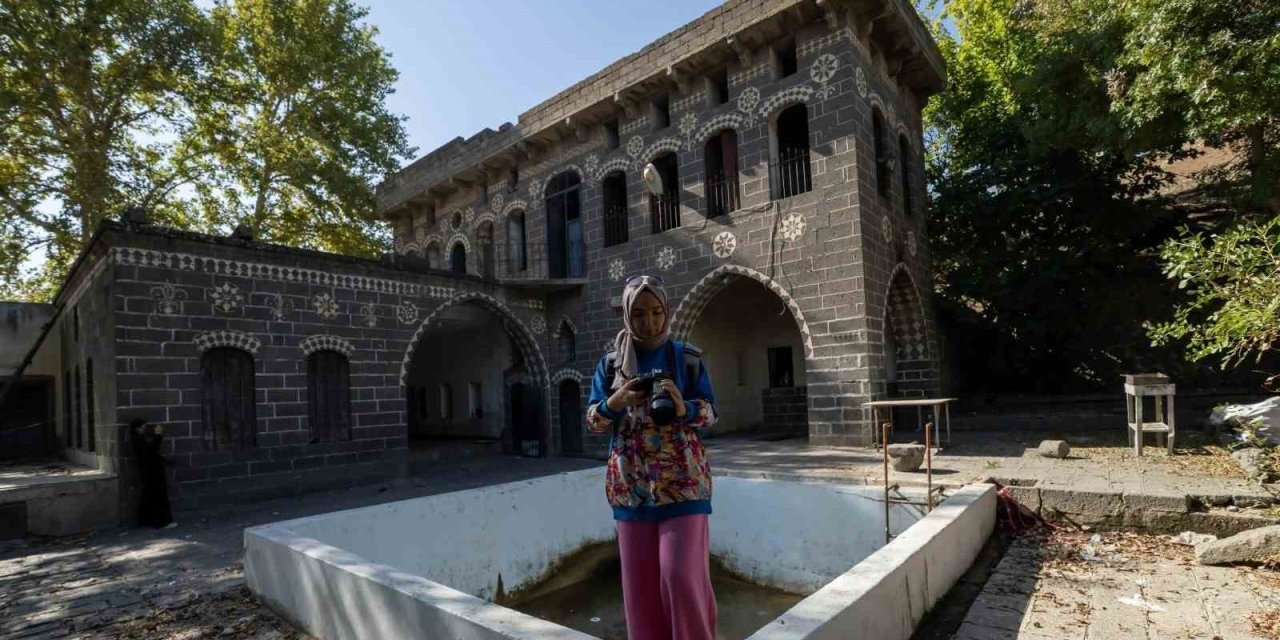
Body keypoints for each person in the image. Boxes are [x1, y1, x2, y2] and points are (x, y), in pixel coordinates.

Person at [586, 274, 718, 640]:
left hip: (684, 484)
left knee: (681, 578)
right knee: (640, 591)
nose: (650, 322)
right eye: (640, 314)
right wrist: (615, 401)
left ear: (667, 310)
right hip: (631, 488)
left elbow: (710, 413)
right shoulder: (611, 365)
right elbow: (593, 421)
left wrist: (684, 407)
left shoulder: (686, 358)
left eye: (657, 312)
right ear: (628, 315)